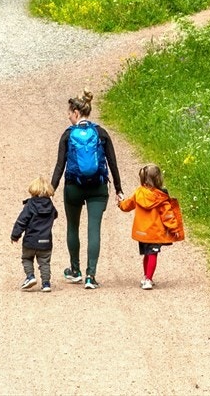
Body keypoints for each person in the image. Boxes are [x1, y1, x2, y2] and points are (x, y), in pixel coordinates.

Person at [50, 90, 123, 289]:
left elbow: (60, 165)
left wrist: (52, 189)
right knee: (94, 230)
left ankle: (75, 271)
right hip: (98, 187)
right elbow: (113, 163)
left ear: (75, 112)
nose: (68, 116)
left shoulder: (68, 135)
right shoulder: (101, 133)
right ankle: (91, 276)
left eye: (68, 112)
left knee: (73, 227)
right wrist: (118, 188)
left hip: (74, 187)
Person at [117, 163, 185, 290]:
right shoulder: (160, 197)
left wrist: (120, 203)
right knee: (153, 255)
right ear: (158, 179)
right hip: (155, 232)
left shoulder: (139, 193)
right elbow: (167, 215)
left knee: (147, 255)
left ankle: (146, 276)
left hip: (142, 232)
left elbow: (127, 205)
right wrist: (175, 229)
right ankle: (148, 279)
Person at [11, 175, 58, 292]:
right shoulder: (50, 206)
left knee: (27, 258)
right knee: (45, 263)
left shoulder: (30, 205)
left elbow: (22, 221)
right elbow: (55, 215)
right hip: (46, 241)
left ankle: (30, 277)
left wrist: (15, 235)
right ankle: (46, 284)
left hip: (30, 241)